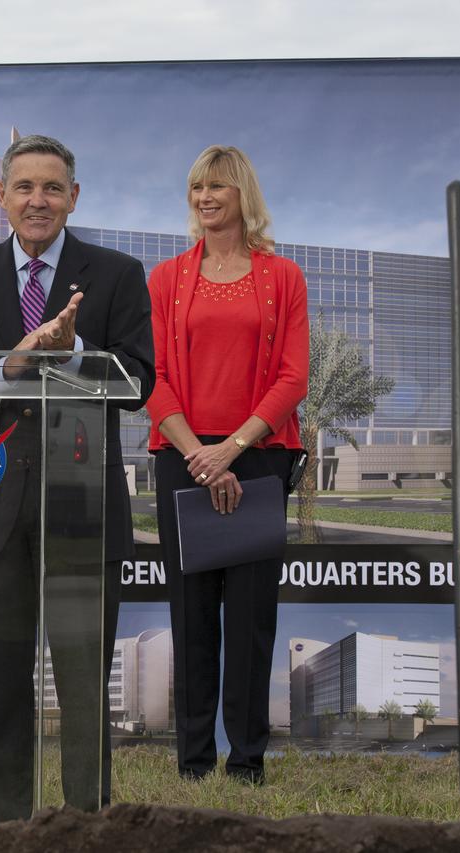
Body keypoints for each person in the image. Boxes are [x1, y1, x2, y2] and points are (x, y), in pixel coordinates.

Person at [0, 134, 154, 822]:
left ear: (74, 197)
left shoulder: (114, 272)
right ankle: (8, 823)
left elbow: (138, 381)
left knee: (85, 684)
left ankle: (86, 821)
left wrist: (76, 350)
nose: (37, 200)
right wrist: (12, 364)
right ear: (1, 197)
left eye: (52, 188)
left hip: (83, 511)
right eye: (24, 187)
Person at [146, 145, 309, 784]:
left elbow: (293, 378)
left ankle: (246, 761)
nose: (205, 197)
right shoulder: (163, 280)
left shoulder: (283, 277)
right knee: (190, 618)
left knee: (249, 620)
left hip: (258, 458)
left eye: (217, 186)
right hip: (183, 456)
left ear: (243, 194)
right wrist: (197, 453)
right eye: (195, 187)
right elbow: (150, 377)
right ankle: (193, 762)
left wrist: (231, 449)